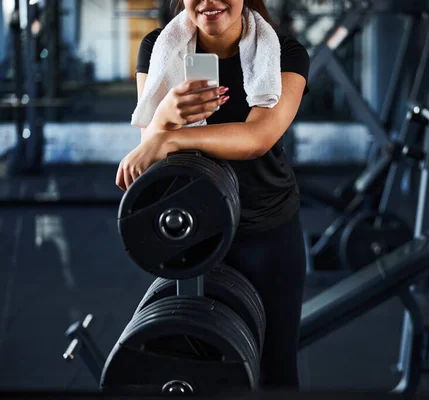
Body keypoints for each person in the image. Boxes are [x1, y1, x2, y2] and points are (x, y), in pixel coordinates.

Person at [115, 0, 310, 391]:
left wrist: (168, 136)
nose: (209, 2)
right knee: (187, 361)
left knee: (276, 373)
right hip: (188, 226)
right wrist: (166, 114)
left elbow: (257, 137)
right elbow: (149, 148)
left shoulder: (285, 53)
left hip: (265, 228)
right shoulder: (159, 47)